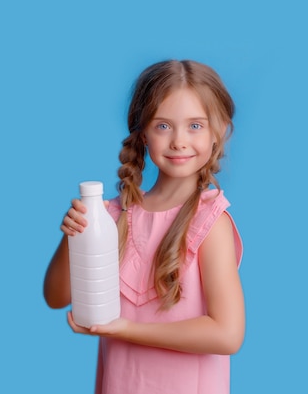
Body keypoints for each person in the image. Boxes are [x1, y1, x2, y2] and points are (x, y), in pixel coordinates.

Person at [43, 59, 245, 394]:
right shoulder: (111, 216)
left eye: (195, 125)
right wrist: (72, 236)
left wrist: (123, 330)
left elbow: (227, 334)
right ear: (142, 134)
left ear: (218, 131)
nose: (179, 141)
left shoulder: (210, 222)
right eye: (163, 126)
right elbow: (57, 296)